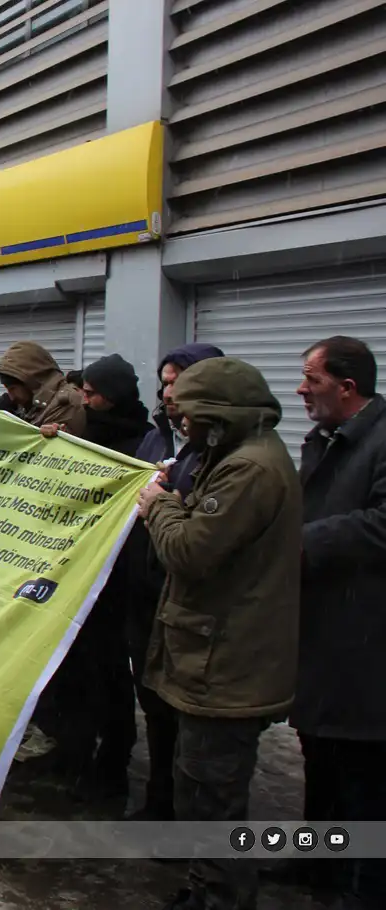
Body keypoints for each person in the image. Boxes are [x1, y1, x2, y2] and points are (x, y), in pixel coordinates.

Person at [137, 357, 300, 910]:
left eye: (190, 415)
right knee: (203, 790)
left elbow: (190, 551)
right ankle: (211, 888)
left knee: (211, 797)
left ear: (220, 413)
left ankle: (222, 896)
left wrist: (158, 507)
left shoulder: (248, 469)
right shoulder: (235, 457)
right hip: (216, 658)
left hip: (227, 666)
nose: (181, 425)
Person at [291, 336, 386, 908]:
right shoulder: (323, 441)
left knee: (364, 778)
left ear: (347, 388)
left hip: (364, 639)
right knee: (320, 761)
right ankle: (315, 869)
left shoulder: (379, 441)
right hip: (321, 632)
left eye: (312, 379)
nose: (300, 388)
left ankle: (364, 888)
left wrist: (300, 544)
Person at [39, 354, 151, 802]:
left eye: (91, 393)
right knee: (75, 668)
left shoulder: (140, 440)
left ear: (115, 394)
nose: (82, 399)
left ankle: (113, 762)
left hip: (117, 576)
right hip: (78, 568)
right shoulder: (82, 432)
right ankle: (74, 750)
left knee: (109, 672)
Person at [125, 342, 224, 820]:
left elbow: (196, 531)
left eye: (177, 383)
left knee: (185, 720)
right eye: (163, 383)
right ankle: (159, 798)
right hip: (147, 593)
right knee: (155, 704)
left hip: (185, 601)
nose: (168, 393)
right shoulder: (155, 436)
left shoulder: (223, 455)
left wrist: (163, 499)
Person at [0, 341, 86, 434]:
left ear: (31, 382)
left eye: (13, 389)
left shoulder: (66, 402)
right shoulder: (34, 403)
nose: (11, 397)